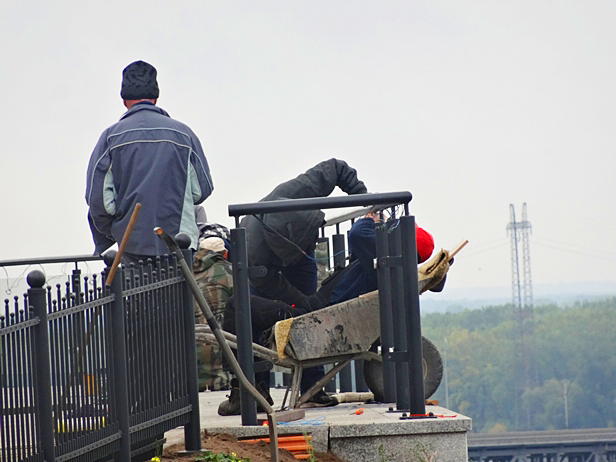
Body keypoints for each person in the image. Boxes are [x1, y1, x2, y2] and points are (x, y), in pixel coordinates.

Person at [218, 159, 367, 415]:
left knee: (307, 315)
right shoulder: (255, 253)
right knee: (251, 319)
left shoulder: (295, 191)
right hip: (266, 272)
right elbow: (294, 302)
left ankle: (312, 389)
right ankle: (252, 389)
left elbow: (335, 167)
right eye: (305, 246)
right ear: (288, 248)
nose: (310, 249)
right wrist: (300, 307)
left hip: (289, 260)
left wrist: (363, 199)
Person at [85, 60, 213, 265]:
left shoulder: (110, 138)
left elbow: (99, 202)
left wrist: (114, 232)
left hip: (130, 246)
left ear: (124, 99)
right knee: (178, 298)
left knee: (136, 296)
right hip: (179, 246)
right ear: (156, 98)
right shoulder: (184, 135)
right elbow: (201, 191)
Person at [193, 237, 233, 391]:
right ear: (224, 254)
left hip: (191, 371)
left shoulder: (186, 272)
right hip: (224, 368)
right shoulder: (229, 271)